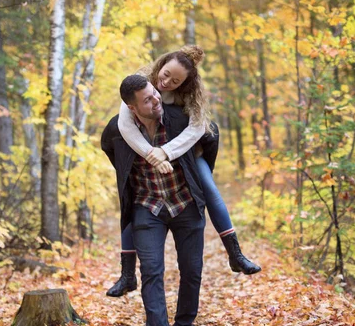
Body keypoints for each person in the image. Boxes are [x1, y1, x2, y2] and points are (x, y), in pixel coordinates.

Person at [106, 45, 261, 298]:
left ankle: (235, 254)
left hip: (189, 151)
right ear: (162, 63)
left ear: (185, 83)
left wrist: (166, 151)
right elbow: (125, 125)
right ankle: (126, 274)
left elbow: (198, 128)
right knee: (129, 194)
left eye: (175, 81)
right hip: (148, 149)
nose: (165, 82)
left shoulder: (191, 95)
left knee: (209, 189)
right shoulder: (143, 82)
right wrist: (150, 155)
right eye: (165, 74)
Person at [101, 75, 217, 326]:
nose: (156, 102)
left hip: (185, 203)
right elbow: (110, 150)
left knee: (192, 270)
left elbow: (209, 135)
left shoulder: (178, 116)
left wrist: (201, 176)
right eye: (148, 100)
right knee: (151, 272)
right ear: (131, 107)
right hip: (147, 206)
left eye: (155, 94)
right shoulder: (118, 129)